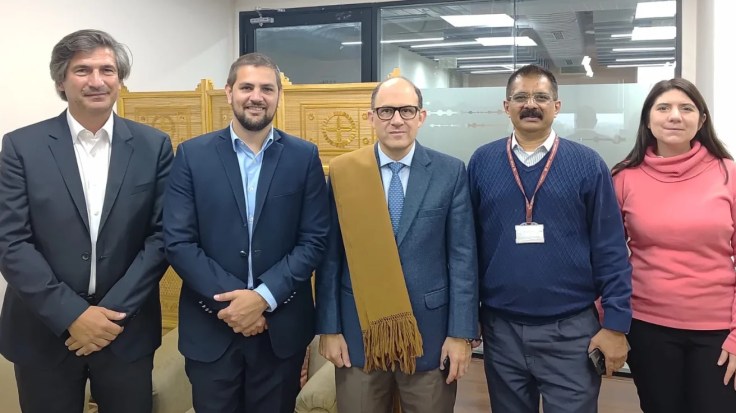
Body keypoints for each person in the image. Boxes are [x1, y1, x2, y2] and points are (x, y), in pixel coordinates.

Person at [0, 29, 173, 413]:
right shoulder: (21, 147)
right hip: (44, 330)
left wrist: (110, 316)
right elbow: (11, 241)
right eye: (82, 70)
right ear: (61, 81)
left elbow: (162, 236)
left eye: (107, 70)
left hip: (125, 330)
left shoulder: (154, 145)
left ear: (120, 80)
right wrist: (72, 314)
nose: (97, 81)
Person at [163, 53, 329, 413]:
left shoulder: (303, 157)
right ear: (229, 92)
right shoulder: (192, 156)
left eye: (267, 88)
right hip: (211, 327)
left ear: (279, 95)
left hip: (279, 329)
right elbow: (178, 241)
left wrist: (262, 298)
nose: (257, 96)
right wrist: (236, 305)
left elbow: (314, 240)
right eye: (247, 87)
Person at [468, 64, 632, 413]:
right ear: (506, 106)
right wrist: (469, 317)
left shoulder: (588, 164)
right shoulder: (482, 162)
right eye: (521, 97)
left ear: (557, 106)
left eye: (541, 97)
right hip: (501, 330)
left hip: (571, 331)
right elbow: (470, 248)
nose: (531, 104)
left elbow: (610, 248)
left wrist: (616, 325)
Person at [315, 76, 478, 413]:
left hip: (429, 334)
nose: (397, 120)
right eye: (386, 111)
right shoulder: (344, 173)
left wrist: (461, 334)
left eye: (407, 110)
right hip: (359, 331)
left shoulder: (449, 172)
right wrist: (328, 329)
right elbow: (330, 258)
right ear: (371, 117)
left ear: (421, 116)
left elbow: (463, 260)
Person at [611, 78, 736, 413]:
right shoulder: (624, 177)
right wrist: (609, 320)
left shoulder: (729, 174)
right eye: (663, 108)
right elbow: (606, 257)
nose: (675, 116)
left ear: (702, 119)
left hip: (718, 330)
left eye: (686, 108)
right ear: (648, 120)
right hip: (647, 327)